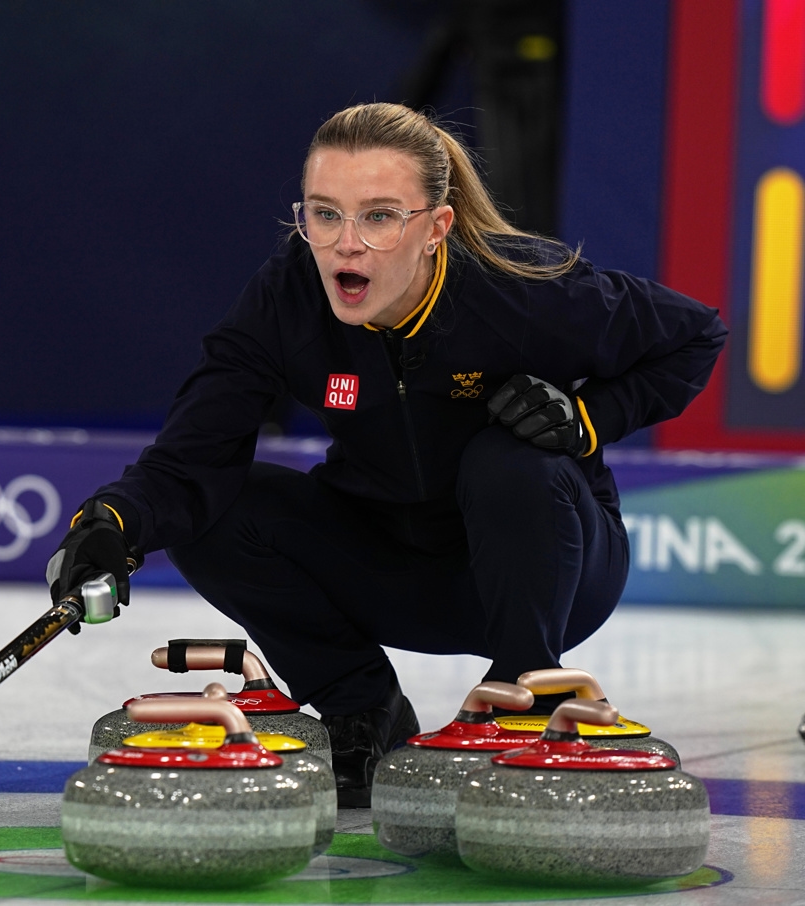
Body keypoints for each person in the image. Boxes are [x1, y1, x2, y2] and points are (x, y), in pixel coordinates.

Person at [45, 102, 727, 808]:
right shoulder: (288, 296)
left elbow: (694, 335)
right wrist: (110, 524)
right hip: (390, 567)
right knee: (218, 509)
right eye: (325, 214)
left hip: (554, 572)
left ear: (436, 228)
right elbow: (195, 454)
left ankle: (523, 693)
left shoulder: (519, 290)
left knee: (509, 458)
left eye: (378, 216)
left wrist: (587, 418)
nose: (346, 244)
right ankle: (361, 709)